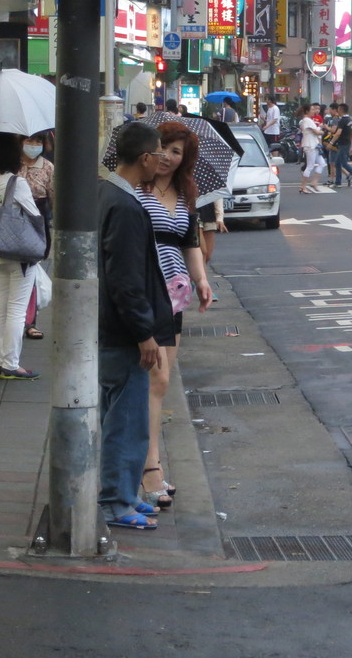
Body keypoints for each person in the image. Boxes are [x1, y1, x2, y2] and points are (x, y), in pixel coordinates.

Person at [98, 123, 170, 531]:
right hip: (123, 332)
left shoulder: (107, 194)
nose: (162, 159)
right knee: (126, 422)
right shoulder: (125, 206)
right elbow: (125, 279)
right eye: (159, 152)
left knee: (119, 418)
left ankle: (123, 493)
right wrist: (144, 333)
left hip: (109, 327)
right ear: (144, 158)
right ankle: (116, 502)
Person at [138, 122, 212, 509]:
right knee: (157, 377)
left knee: (159, 383)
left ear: (186, 159)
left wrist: (201, 280)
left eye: (177, 151)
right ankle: (150, 468)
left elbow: (189, 241)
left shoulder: (185, 194)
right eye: (163, 147)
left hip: (174, 293)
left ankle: (146, 464)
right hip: (142, 289)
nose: (167, 156)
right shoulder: (136, 188)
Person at [0, 133, 42, 379]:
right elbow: (34, 215)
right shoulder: (16, 183)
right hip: (18, 252)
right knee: (16, 308)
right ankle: (11, 364)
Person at [19, 132, 54, 341]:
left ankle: (30, 321)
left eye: (38, 141)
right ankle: (16, 318)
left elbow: (53, 197)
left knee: (31, 273)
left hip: (37, 221)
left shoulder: (48, 167)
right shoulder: (12, 164)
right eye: (29, 140)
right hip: (14, 221)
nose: (33, 145)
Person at [331, 103, 352, 188]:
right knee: (337, 163)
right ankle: (338, 182)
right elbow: (351, 134)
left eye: (338, 109)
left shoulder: (342, 120)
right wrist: (351, 146)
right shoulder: (350, 120)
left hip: (343, 144)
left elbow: (338, 133)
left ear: (341, 110)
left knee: (343, 163)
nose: (337, 111)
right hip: (347, 143)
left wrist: (331, 143)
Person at [298, 102, 327, 192]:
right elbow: (316, 132)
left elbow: (315, 130)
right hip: (310, 145)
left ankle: (314, 182)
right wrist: (322, 131)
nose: (314, 111)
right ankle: (303, 186)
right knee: (310, 166)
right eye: (312, 109)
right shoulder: (307, 120)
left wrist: (320, 129)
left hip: (314, 145)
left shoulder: (307, 120)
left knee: (322, 163)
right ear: (307, 111)